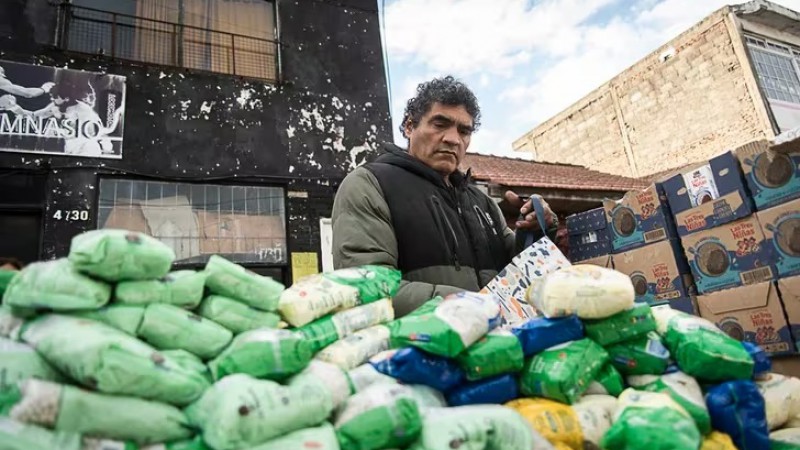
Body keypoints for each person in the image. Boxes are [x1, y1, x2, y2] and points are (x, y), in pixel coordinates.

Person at [331, 75, 558, 317]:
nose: (453, 139)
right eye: (440, 124)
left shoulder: (482, 202)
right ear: (409, 127)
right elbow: (368, 289)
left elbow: (515, 275)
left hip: (496, 347)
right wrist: (479, 308)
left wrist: (535, 230)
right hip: (422, 350)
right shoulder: (370, 184)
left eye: (464, 131)